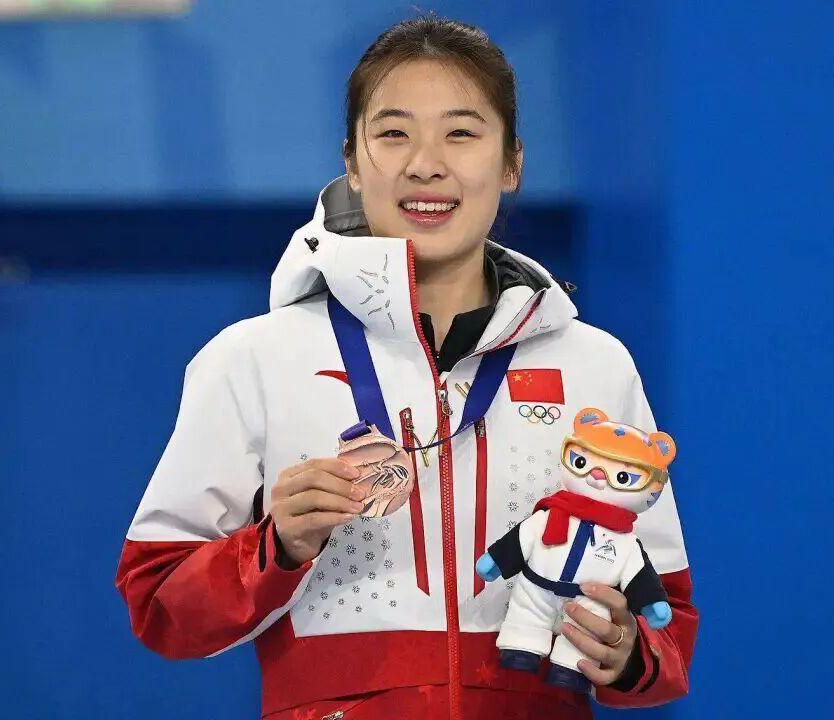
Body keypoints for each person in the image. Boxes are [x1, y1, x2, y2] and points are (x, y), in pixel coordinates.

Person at [115, 16, 697, 720]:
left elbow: (667, 624)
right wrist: (277, 546)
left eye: (461, 133)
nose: (426, 163)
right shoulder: (253, 359)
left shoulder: (594, 365)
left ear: (511, 163)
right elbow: (160, 606)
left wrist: (628, 652)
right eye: (393, 134)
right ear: (353, 164)